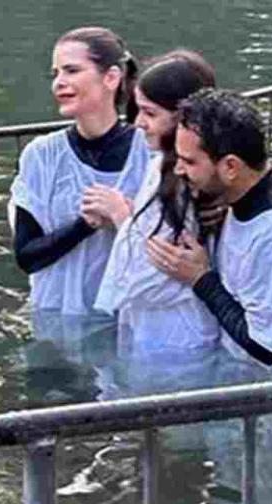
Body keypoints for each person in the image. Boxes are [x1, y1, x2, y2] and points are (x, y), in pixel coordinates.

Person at [146, 89, 272, 376]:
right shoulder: (245, 192)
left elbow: (266, 349)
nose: (178, 169)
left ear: (230, 167)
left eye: (189, 161)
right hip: (248, 379)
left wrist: (200, 279)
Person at [9, 26, 149, 317]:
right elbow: (27, 256)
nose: (59, 83)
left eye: (72, 71)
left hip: (127, 321)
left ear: (111, 77)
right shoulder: (41, 155)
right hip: (53, 316)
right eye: (56, 74)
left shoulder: (149, 154)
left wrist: (124, 217)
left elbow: (172, 251)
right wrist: (84, 225)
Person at [92, 50, 220, 358]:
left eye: (150, 114)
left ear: (183, 118)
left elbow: (155, 266)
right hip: (153, 324)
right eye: (138, 111)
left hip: (176, 335)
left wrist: (122, 215)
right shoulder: (161, 165)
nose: (138, 123)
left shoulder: (188, 179)